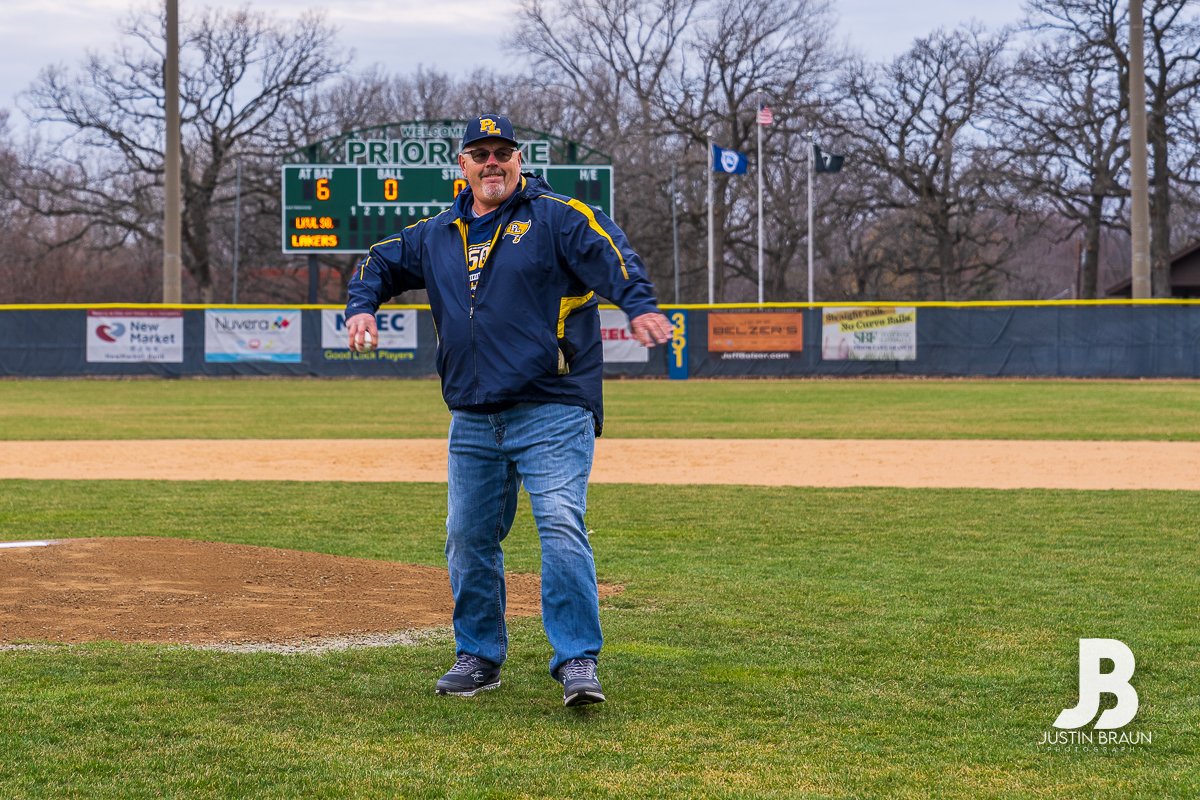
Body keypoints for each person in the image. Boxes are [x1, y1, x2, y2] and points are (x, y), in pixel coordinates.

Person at [344, 114, 673, 707]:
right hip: (473, 413)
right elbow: (377, 261)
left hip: (553, 405)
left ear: (519, 161)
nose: (492, 163)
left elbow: (611, 253)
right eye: (480, 154)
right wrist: (361, 308)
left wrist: (639, 304)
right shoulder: (438, 232)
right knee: (468, 537)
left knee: (560, 528)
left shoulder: (556, 217)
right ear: (462, 166)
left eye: (503, 153)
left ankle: (576, 661)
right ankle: (478, 656)